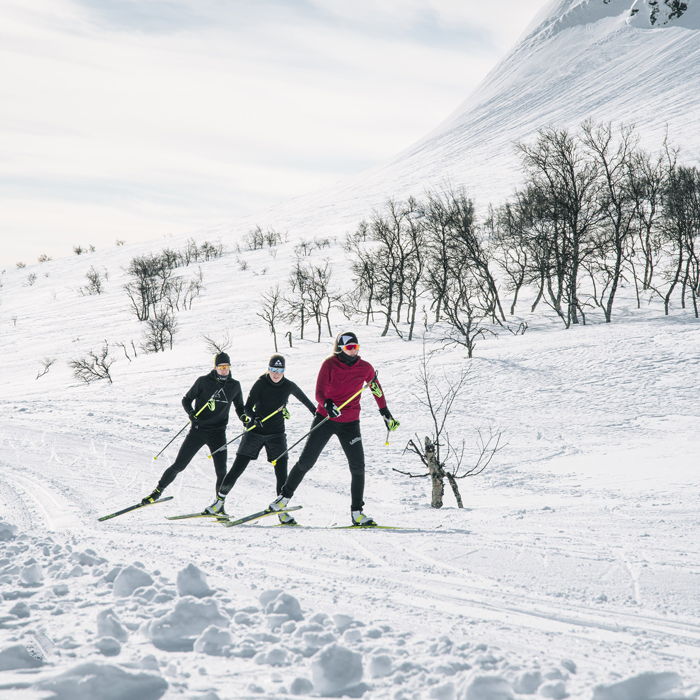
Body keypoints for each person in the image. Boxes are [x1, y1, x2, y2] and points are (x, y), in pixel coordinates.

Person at [268, 331, 400, 526]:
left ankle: (357, 513)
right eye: (349, 348)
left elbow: (375, 389)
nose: (353, 351)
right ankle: (283, 499)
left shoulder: (365, 368)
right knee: (306, 461)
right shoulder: (329, 364)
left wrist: (385, 413)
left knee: (358, 466)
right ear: (340, 348)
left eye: (356, 347)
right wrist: (328, 404)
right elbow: (319, 392)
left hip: (350, 423)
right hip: (326, 419)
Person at [204, 354, 316, 524]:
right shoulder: (261, 383)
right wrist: (253, 417)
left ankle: (281, 510)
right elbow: (247, 407)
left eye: (280, 370)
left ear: (284, 371)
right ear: (268, 368)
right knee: (238, 468)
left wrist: (318, 414)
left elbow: (305, 400)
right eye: (273, 369)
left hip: (277, 435)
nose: (276, 374)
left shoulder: (289, 386)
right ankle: (218, 502)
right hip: (255, 432)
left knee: (281, 473)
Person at [141, 352, 245, 505]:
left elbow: (240, 407)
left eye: (226, 367)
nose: (224, 370)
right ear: (215, 367)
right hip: (198, 431)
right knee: (179, 465)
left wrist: (244, 418)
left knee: (222, 471)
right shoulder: (203, 381)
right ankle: (157, 492)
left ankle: (219, 505)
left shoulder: (234, 385)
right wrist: (191, 413)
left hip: (218, 433)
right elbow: (186, 399)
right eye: (221, 367)